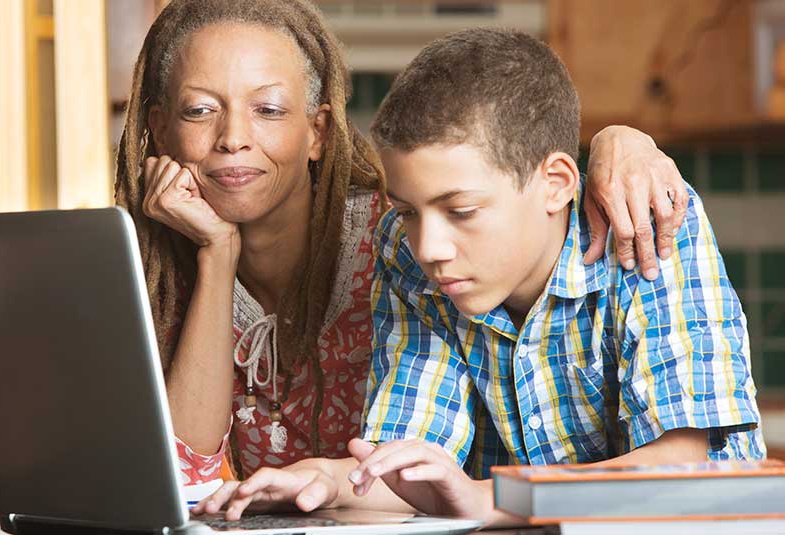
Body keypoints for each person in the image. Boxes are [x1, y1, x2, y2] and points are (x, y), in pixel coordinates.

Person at [116, 0, 690, 504]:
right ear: (159, 130)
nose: (233, 136)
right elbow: (191, 476)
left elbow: (689, 471)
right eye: (199, 110)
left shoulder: (402, 239)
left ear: (319, 130)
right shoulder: (153, 264)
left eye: (268, 109)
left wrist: (622, 138)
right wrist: (218, 253)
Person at [199, 28, 766, 526]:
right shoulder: (407, 252)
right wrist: (327, 479)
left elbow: (681, 468)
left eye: (462, 210)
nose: (430, 247)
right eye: (408, 210)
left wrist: (491, 500)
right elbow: (413, 458)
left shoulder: (646, 220)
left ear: (555, 183)